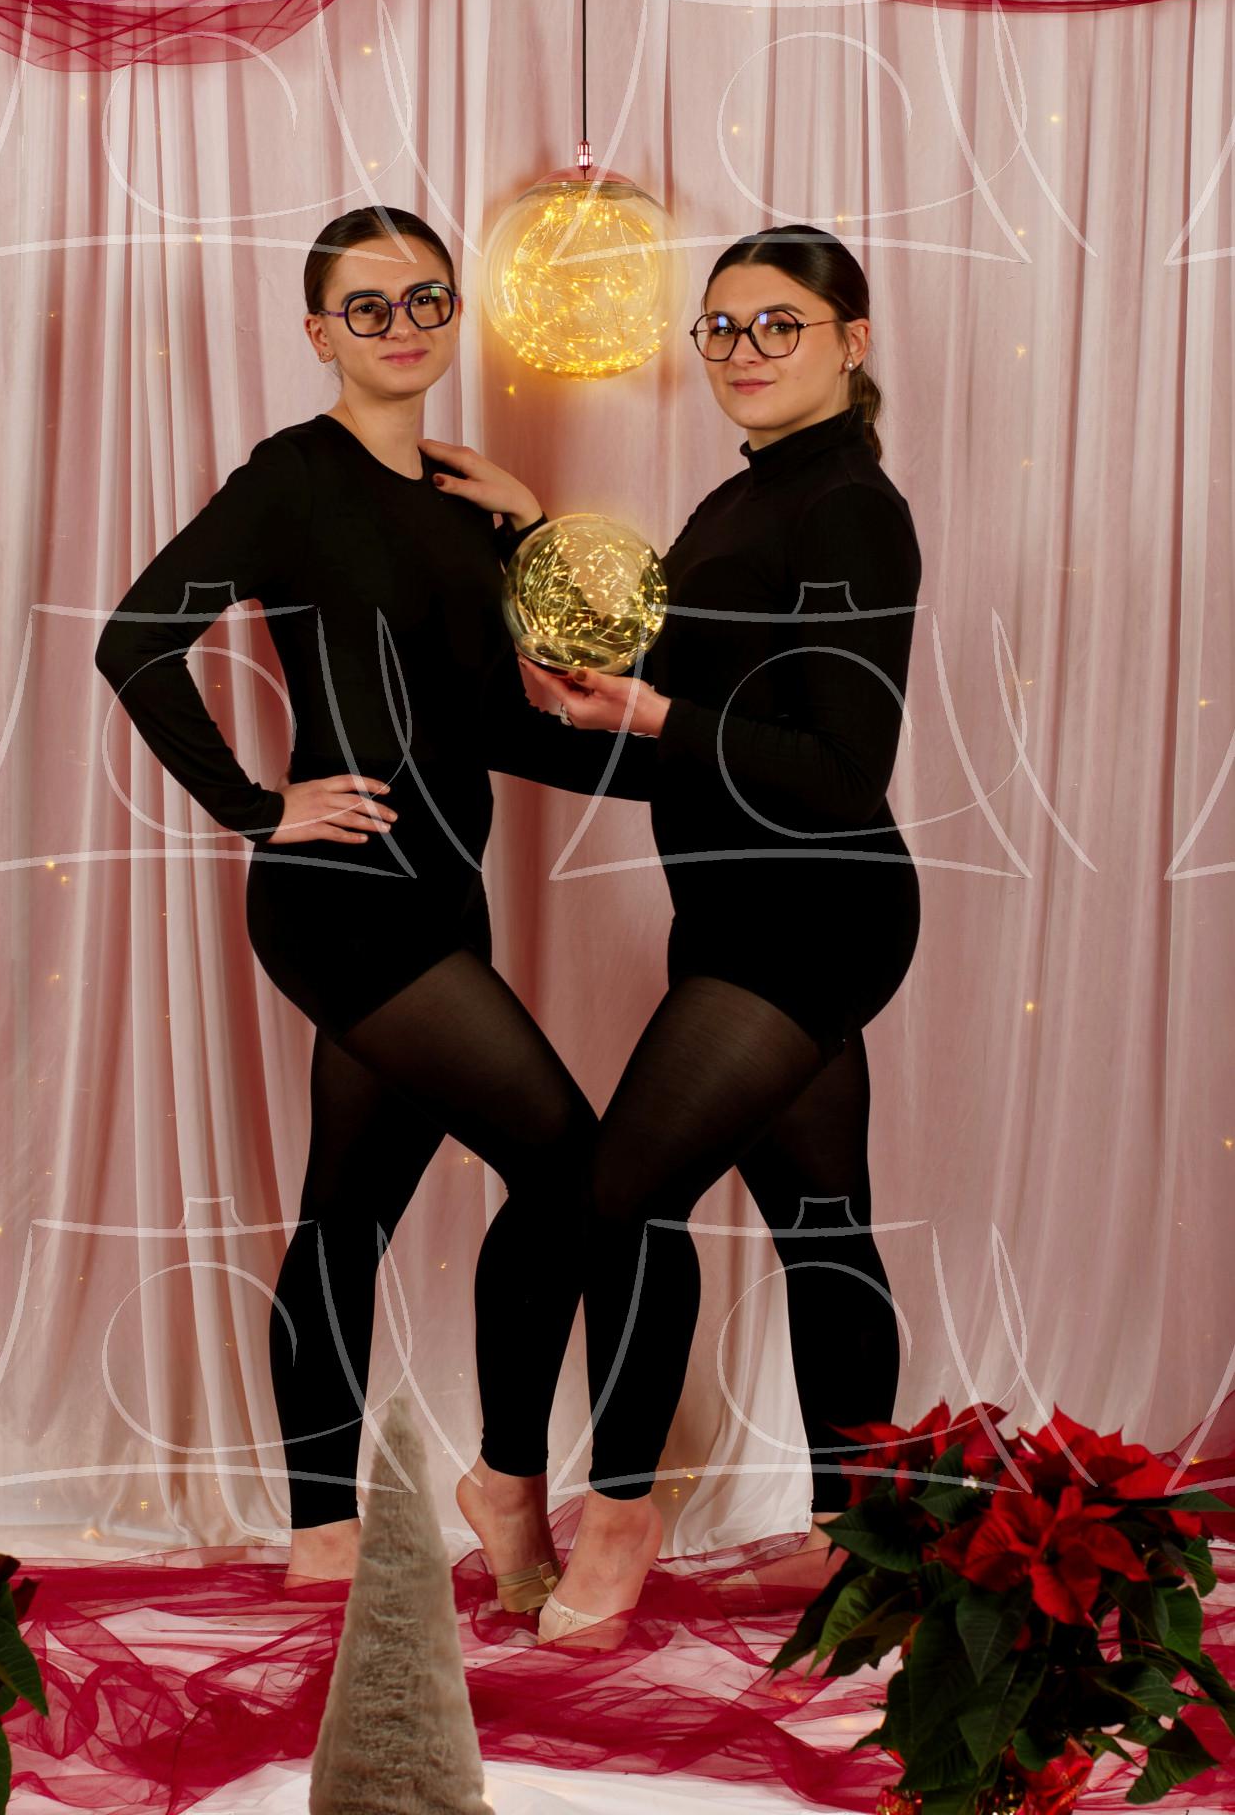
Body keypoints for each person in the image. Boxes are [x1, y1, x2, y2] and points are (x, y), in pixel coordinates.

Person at [93, 206, 648, 1600]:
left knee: (346, 1214)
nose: (403, 327)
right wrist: (255, 806)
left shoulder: (464, 509)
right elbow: (136, 640)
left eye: (427, 301)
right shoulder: (293, 477)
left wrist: (535, 536)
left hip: (442, 895)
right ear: (319, 333)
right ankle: (504, 1485)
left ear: (455, 314)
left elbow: (498, 728)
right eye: (369, 307)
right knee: (568, 1162)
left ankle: (323, 1534)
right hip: (341, 895)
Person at [439, 224, 924, 1646]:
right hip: (734, 913)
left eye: (778, 324)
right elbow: (681, 744)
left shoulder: (849, 507)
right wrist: (527, 557)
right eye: (719, 327)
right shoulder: (746, 496)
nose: (742, 352)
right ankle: (865, 1546)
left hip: (814, 913)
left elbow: (841, 772)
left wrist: (652, 711)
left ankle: (620, 1513)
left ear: (851, 340)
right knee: (821, 1221)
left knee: (619, 1196)